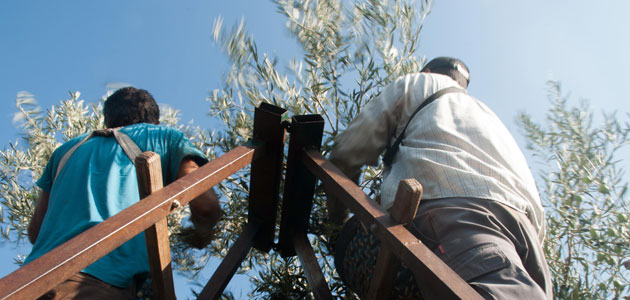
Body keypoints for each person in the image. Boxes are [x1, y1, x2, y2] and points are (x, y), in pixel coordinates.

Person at [328, 57, 552, 299]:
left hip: (460, 220)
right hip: (530, 242)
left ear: (427, 71)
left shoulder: (420, 83)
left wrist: (335, 226)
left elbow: (348, 151)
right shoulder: (488, 115)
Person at [26, 87, 221, 300]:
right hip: (97, 285)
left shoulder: (65, 151)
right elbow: (205, 206)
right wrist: (202, 234)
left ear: (107, 119)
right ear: (154, 120)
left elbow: (36, 231)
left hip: (28, 283)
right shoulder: (163, 137)